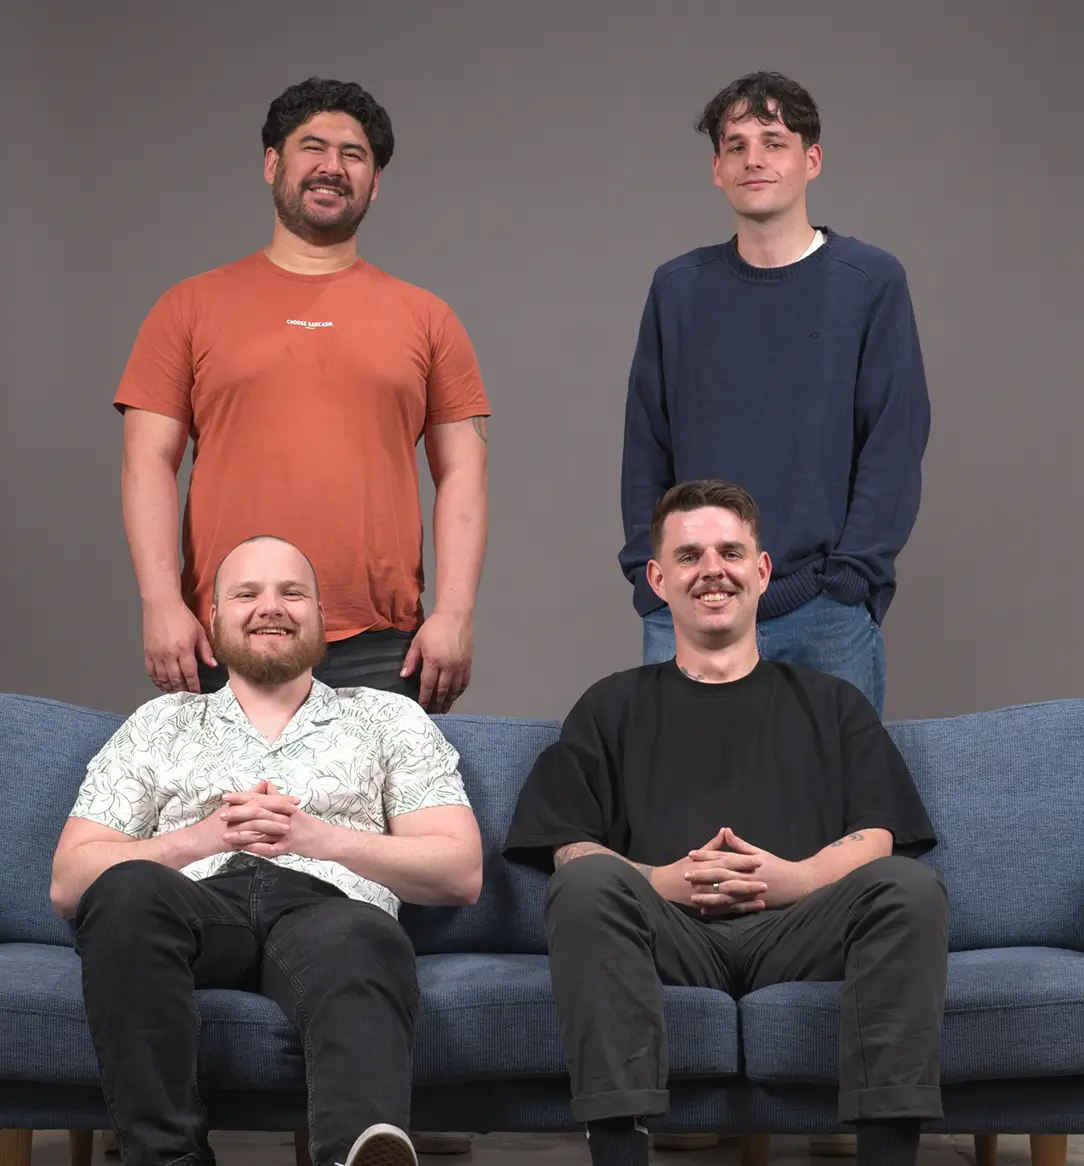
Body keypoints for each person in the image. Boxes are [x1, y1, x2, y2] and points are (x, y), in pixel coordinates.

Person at [504, 480, 948, 1166]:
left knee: (909, 889)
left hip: (800, 929)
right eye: (689, 555)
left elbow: (879, 837)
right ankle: (619, 1153)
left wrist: (794, 878)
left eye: (731, 551)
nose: (712, 569)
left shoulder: (834, 705)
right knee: (586, 886)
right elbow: (569, 846)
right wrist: (662, 881)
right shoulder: (610, 706)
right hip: (667, 933)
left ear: (762, 571)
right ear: (658, 579)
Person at [51, 535, 484, 1166]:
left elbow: (460, 871)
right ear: (215, 619)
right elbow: (69, 882)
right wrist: (203, 838)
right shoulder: (161, 723)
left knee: (366, 939)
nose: (270, 607)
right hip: (197, 904)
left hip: (328, 910)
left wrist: (319, 838)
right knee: (125, 892)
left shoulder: (389, 718)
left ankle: (356, 1155)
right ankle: (170, 1159)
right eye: (246, 593)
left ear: (320, 616)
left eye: (292, 592)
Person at [116, 77, 489, 713]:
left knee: (378, 817)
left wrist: (454, 613)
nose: (332, 167)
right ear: (272, 164)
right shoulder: (188, 307)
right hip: (223, 634)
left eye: (354, 154)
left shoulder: (429, 317)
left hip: (383, 641)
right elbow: (147, 461)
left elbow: (464, 471)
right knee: (232, 816)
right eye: (312, 147)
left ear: (375, 180)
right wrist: (159, 603)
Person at [620, 71, 930, 716]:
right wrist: (652, 584)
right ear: (716, 169)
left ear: (811, 160)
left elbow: (894, 440)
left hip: (825, 611)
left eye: (774, 141)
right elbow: (647, 443)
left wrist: (851, 582)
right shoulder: (677, 289)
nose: (754, 159)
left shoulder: (868, 281)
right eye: (736, 145)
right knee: (682, 804)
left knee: (838, 804)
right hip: (694, 602)